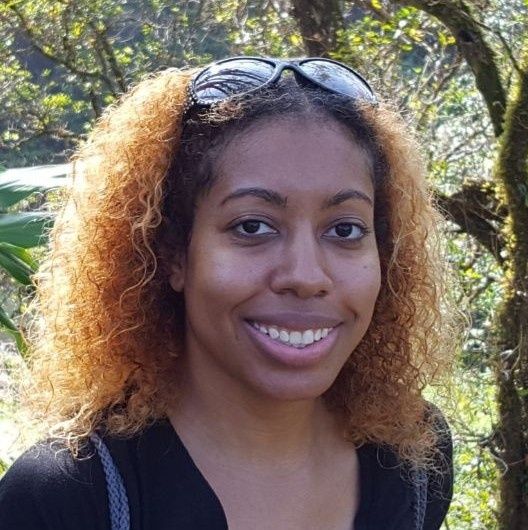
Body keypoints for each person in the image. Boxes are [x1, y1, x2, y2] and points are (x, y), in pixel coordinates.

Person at [0, 57, 454, 530]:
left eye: (344, 229)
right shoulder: (66, 497)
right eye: (252, 226)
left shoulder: (413, 458)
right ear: (173, 254)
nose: (305, 275)